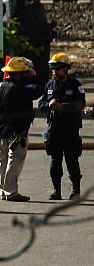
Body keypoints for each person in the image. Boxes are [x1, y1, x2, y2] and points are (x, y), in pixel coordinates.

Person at [0, 56, 39, 202]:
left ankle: (3, 191)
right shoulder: (19, 89)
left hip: (2, 131)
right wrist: (33, 77)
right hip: (17, 132)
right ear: (19, 74)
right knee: (14, 160)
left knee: (3, 161)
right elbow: (37, 91)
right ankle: (11, 192)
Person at [39, 53, 86, 199]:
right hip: (54, 129)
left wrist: (62, 107)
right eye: (53, 68)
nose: (55, 71)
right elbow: (41, 105)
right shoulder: (49, 86)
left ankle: (76, 191)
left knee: (72, 160)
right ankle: (56, 190)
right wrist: (49, 105)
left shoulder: (75, 85)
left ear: (66, 69)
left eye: (58, 68)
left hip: (70, 128)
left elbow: (80, 104)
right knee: (55, 161)